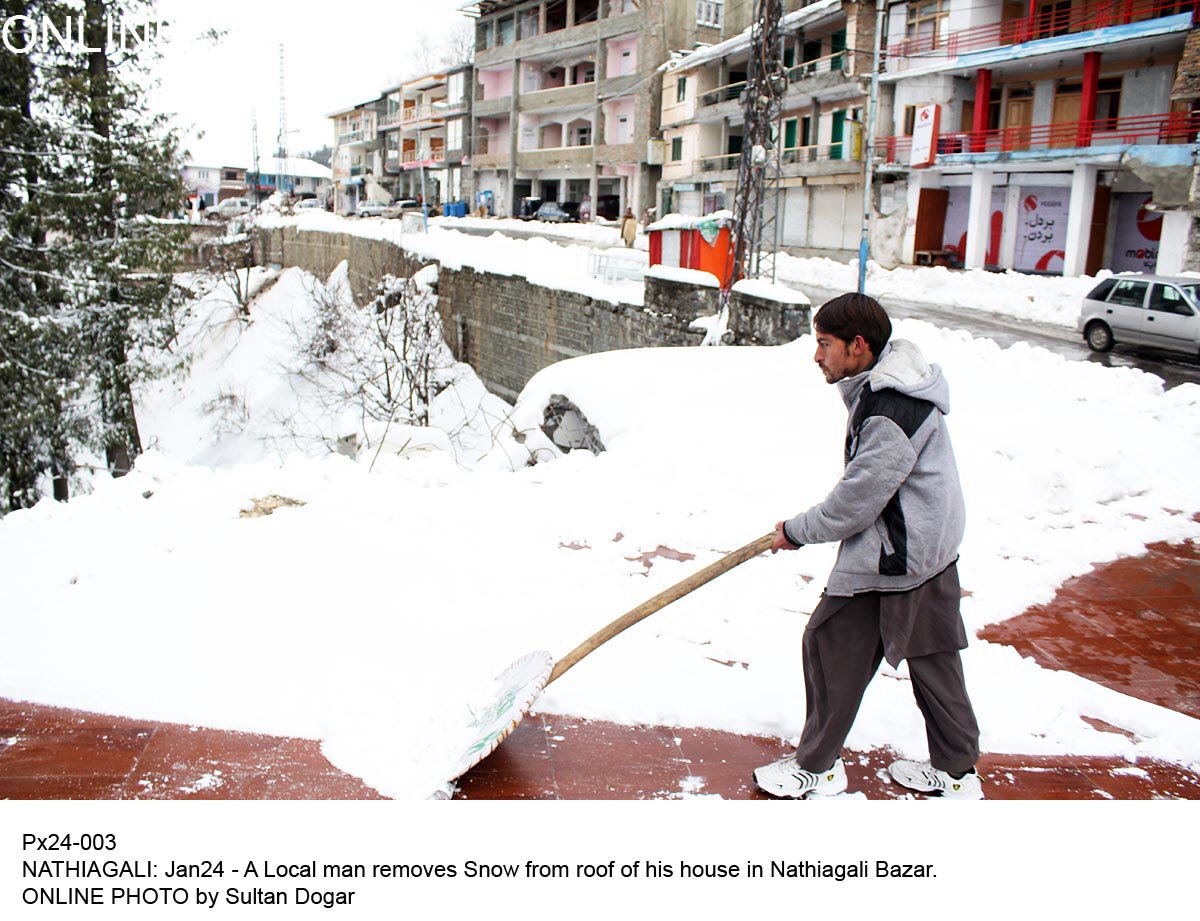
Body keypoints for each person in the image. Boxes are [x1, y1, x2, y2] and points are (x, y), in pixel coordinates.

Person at [755, 293, 982, 800]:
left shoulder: (889, 408)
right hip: (932, 547)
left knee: (828, 644)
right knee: (934, 658)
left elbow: (854, 503)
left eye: (825, 344)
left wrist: (794, 530)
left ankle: (817, 767)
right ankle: (957, 771)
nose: (817, 355)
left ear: (859, 345)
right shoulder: (895, 383)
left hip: (899, 555)